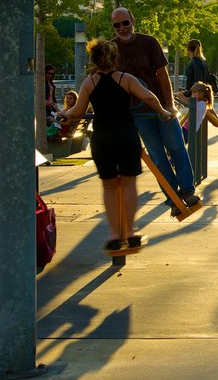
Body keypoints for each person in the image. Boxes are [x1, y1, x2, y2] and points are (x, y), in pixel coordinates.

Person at [57, 38, 176, 253]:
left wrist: (64, 114)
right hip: (126, 135)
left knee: (110, 186)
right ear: (114, 58)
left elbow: (76, 111)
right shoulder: (125, 78)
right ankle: (129, 233)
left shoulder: (89, 82)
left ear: (94, 60)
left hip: (102, 138)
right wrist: (164, 111)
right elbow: (148, 97)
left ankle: (114, 235)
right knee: (128, 185)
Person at [110, 7, 200, 217]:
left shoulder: (148, 42)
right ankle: (172, 197)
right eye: (117, 25)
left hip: (160, 107)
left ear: (133, 21)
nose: (122, 28)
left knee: (177, 146)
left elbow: (162, 75)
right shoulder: (111, 48)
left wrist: (169, 105)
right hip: (138, 113)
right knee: (157, 157)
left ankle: (187, 190)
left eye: (125, 23)